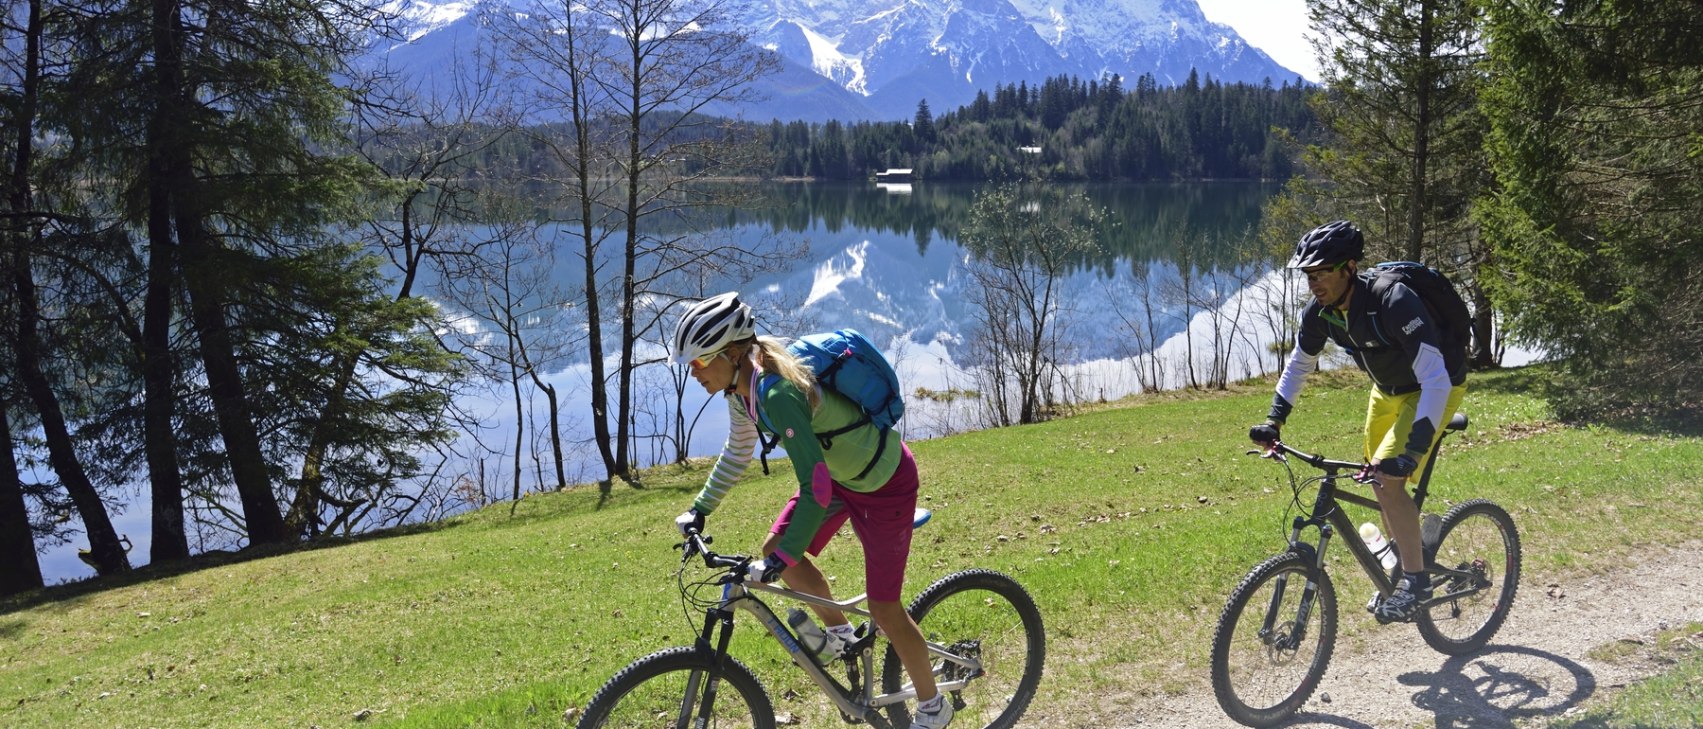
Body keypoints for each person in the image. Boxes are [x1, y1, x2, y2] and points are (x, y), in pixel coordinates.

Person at [669, 292, 953, 728]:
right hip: (840, 478)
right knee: (779, 544)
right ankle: (841, 637)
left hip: (883, 485)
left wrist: (778, 563)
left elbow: (814, 485)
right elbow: (740, 449)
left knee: (884, 608)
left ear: (729, 353)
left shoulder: (776, 390)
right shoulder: (741, 388)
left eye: (700, 362)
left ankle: (934, 709)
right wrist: (700, 508)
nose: (694, 372)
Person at [1249, 221, 1467, 623]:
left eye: (1324, 273)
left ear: (1349, 267)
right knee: (1376, 477)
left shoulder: (1393, 300)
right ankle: (1407, 558)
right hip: (1386, 390)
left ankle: (1415, 583)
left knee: (1387, 479)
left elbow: (1435, 378)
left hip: (1435, 385)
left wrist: (1415, 447)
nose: (1315, 283)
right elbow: (1300, 365)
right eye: (1310, 275)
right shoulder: (1322, 313)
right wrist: (1274, 420)